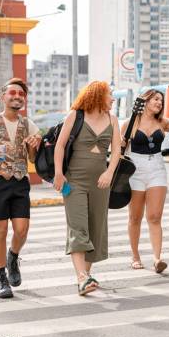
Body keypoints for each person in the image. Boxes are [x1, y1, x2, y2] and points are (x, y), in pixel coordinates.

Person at [0, 77, 42, 299]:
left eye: (21, 94)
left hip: (21, 181)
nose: (17, 97)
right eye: (12, 93)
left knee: (22, 229)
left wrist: (34, 146)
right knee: (0, 230)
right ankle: (1, 277)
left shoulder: (29, 125)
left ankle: (13, 256)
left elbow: (32, 158)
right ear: (3, 97)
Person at [53, 81, 121, 295]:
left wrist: (109, 173)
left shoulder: (113, 119)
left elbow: (117, 150)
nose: (113, 99)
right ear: (98, 95)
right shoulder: (76, 115)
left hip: (101, 182)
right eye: (110, 94)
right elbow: (60, 145)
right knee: (78, 226)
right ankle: (82, 277)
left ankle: (86, 277)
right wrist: (58, 173)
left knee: (95, 228)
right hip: (74, 181)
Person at [121, 89, 169, 273]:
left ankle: (157, 258)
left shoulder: (163, 122)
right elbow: (120, 148)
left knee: (154, 216)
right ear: (145, 101)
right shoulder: (130, 123)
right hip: (135, 170)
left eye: (161, 100)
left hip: (157, 169)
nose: (159, 102)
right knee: (135, 217)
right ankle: (135, 256)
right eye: (155, 99)